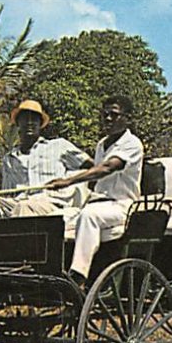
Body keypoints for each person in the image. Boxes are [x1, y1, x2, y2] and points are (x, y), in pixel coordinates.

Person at [46, 95, 144, 285]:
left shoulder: (132, 144)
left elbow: (107, 168)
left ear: (128, 118)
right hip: (97, 204)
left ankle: (78, 276)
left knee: (89, 216)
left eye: (114, 115)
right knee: (57, 218)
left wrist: (68, 181)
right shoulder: (101, 144)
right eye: (105, 114)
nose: (108, 119)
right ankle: (53, 273)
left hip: (122, 206)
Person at [0, 100, 92, 220]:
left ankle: (19, 238)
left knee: (24, 207)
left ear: (40, 124)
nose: (29, 123)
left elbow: (93, 167)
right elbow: (7, 193)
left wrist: (70, 181)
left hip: (48, 203)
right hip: (17, 203)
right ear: (18, 123)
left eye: (34, 119)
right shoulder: (9, 159)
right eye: (25, 119)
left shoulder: (59, 146)